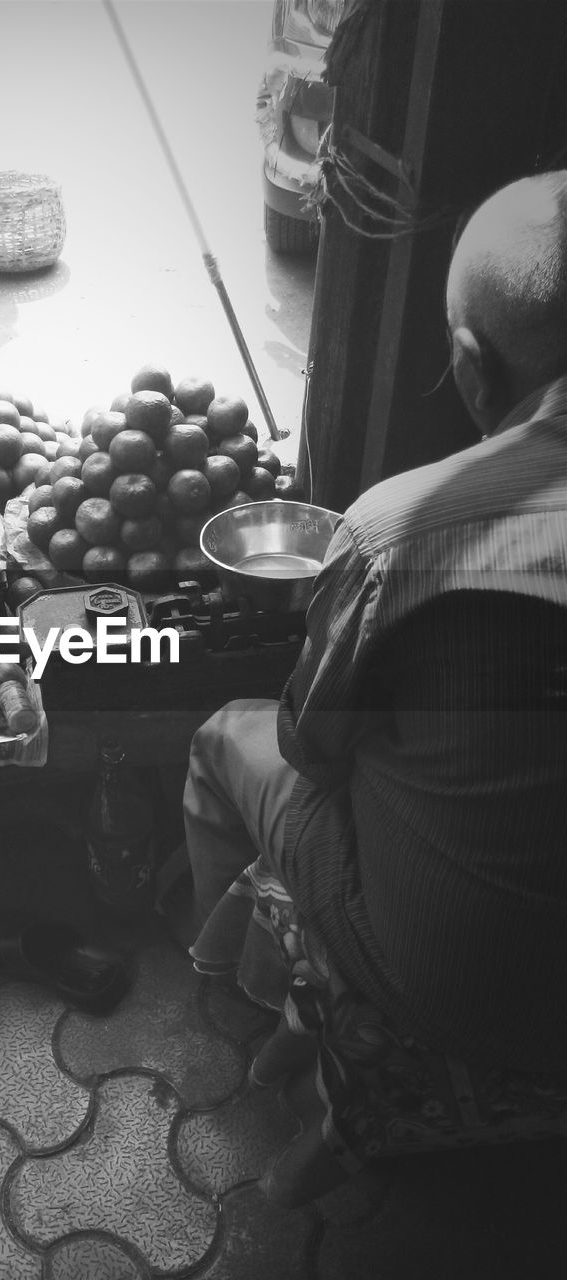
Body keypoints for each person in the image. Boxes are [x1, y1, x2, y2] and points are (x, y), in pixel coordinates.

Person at [184, 170, 567, 1207]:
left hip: (473, 992)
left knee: (237, 735)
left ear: (470, 364)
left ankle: (238, 975)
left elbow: (312, 752)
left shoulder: (410, 529)